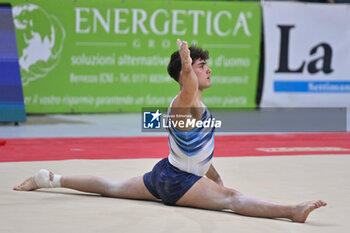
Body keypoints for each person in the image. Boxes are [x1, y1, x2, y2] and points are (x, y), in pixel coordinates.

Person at [13, 39, 326, 223]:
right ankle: (292, 210)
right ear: (185, 74)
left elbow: (196, 146)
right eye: (203, 65)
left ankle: (48, 179)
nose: (208, 69)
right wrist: (188, 65)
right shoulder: (184, 99)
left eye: (204, 65)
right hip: (179, 181)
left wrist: (212, 173)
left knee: (111, 186)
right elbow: (188, 83)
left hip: (165, 172)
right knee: (233, 198)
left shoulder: (194, 104)